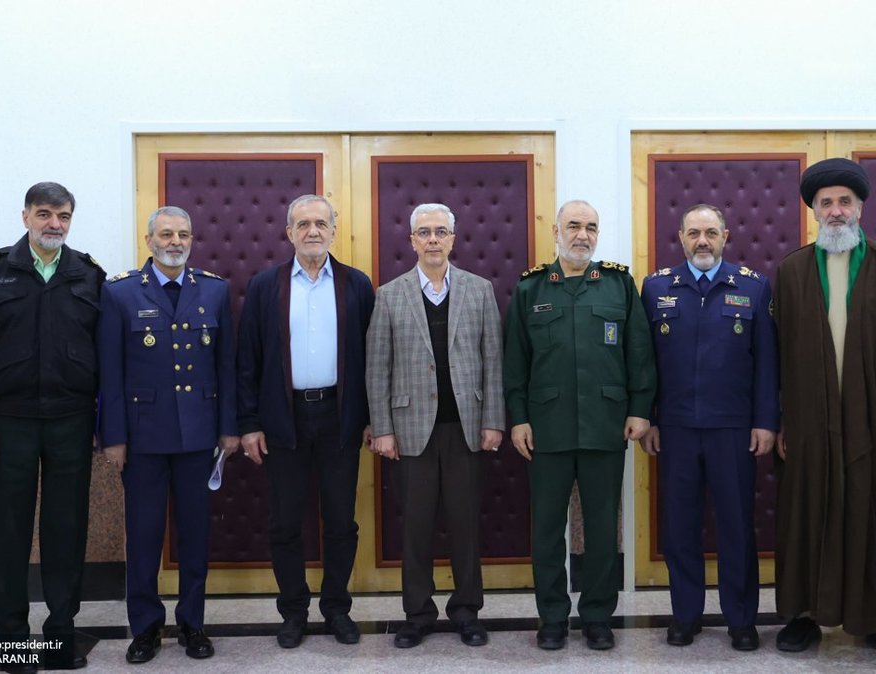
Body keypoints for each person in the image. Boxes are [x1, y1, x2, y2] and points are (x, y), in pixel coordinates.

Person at [772, 158, 876, 659]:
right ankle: (803, 615)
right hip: (808, 423)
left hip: (873, 422)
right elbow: (777, 354)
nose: (836, 210)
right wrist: (781, 419)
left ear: (860, 208)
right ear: (814, 211)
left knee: (875, 516)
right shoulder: (792, 270)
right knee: (808, 513)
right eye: (827, 203)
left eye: (845, 201)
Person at [0, 182, 103, 672]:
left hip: (71, 421)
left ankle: (60, 634)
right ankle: (12, 642)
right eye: (44, 214)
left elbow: (105, 356)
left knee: (66, 531)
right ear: (25, 217)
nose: (54, 224)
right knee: (8, 534)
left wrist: (103, 424)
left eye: (63, 216)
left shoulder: (89, 274)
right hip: (8, 424)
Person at [503, 199, 655, 651]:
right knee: (548, 530)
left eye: (590, 227)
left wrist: (640, 408)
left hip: (605, 425)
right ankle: (552, 617)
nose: (582, 234)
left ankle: (597, 616)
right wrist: (518, 418)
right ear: (556, 232)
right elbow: (515, 362)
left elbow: (639, 351)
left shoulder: (618, 284)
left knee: (603, 529)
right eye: (573, 225)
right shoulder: (530, 288)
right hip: (545, 428)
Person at [97, 206, 238, 663]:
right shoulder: (119, 292)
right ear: (149, 240)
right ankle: (145, 627)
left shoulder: (214, 290)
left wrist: (228, 428)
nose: (175, 242)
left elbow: (227, 367)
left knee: (195, 535)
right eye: (166, 234)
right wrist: (113, 437)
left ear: (192, 239)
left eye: (183, 234)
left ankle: (192, 623)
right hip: (143, 440)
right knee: (143, 536)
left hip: (198, 435)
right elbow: (110, 373)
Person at [237, 194, 375, 649]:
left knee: (341, 522)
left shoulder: (357, 285)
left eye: (320, 223)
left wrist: (372, 418)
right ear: (289, 232)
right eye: (303, 224)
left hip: (340, 417)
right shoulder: (264, 286)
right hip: (284, 419)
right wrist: (250, 423)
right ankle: (293, 612)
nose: (312, 231)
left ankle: (336, 609)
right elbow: (247, 359)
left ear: (333, 230)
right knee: (285, 523)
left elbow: (373, 357)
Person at [639, 204, 779, 651]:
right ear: (681, 237)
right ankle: (686, 615)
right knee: (680, 527)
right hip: (676, 428)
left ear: (725, 236)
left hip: (733, 429)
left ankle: (741, 619)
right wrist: (651, 417)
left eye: (711, 233)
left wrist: (765, 422)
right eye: (694, 233)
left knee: (737, 525)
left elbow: (767, 362)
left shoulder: (753, 287)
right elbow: (645, 363)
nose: (703, 241)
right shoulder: (656, 287)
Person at [365, 203, 504, 648]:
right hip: (410, 431)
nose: (432, 239)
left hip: (466, 428)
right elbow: (377, 368)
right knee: (416, 527)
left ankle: (467, 611)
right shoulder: (389, 295)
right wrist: (382, 428)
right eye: (423, 232)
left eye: (440, 231)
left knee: (465, 525)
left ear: (453, 238)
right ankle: (418, 614)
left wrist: (493, 420)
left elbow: (492, 360)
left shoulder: (479, 290)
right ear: (411, 241)